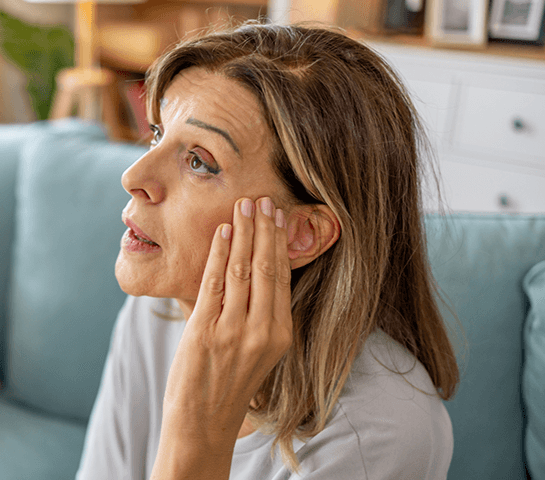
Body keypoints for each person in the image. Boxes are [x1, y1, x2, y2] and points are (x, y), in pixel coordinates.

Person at [75, 21, 459, 479]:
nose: (133, 176)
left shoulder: (379, 435)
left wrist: (197, 436)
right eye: (158, 134)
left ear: (302, 234)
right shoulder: (161, 311)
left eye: (199, 161)